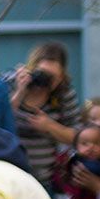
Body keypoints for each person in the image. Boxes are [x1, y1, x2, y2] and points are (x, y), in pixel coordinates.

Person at [9, 41, 80, 182]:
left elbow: (78, 137)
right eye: (43, 74)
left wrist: (50, 126)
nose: (46, 81)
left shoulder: (64, 93)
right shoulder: (13, 84)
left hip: (46, 178)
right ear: (32, 69)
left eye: (52, 77)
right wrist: (20, 91)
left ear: (61, 76)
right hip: (12, 175)